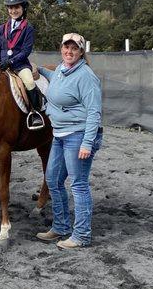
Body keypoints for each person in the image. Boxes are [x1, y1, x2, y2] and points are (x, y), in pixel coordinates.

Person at [35, 33, 103, 249]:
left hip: (78, 135)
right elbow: (55, 77)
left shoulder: (86, 76)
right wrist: (39, 71)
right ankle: (61, 226)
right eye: (66, 47)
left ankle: (81, 235)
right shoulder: (63, 69)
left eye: (74, 48)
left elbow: (94, 112)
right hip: (60, 134)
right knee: (53, 179)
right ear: (61, 48)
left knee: (79, 185)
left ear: (81, 52)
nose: (69, 51)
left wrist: (87, 143)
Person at [0, 0, 44, 129]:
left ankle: (35, 113)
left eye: (16, 7)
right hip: (1, 64)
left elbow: (26, 51)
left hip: (19, 65)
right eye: (11, 7)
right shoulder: (2, 28)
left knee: (29, 81)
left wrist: (11, 61)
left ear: (23, 8)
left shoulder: (28, 29)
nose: (13, 10)